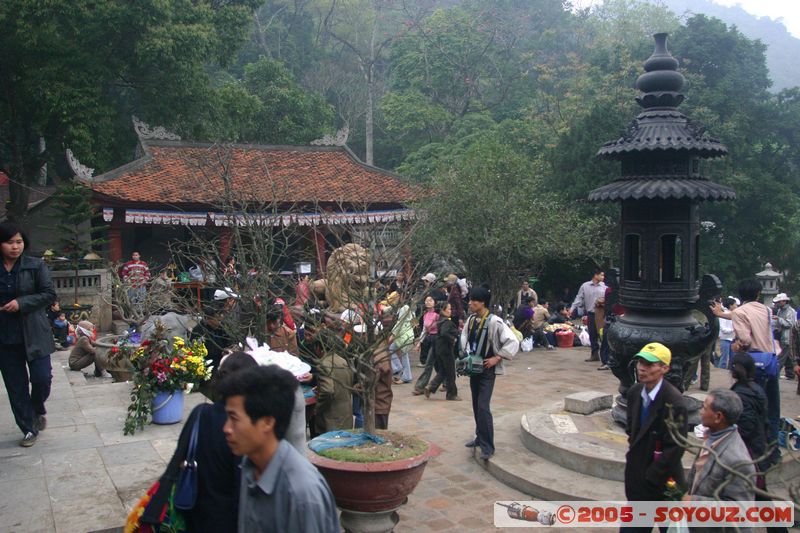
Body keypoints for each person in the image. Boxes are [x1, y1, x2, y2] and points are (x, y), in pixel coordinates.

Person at [141, 351, 258, 533]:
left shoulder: (200, 413)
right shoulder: (244, 427)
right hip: (227, 521)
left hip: (191, 513)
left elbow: (176, 462)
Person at [218, 364, 340, 533]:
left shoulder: (302, 494)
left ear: (267, 422)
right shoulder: (249, 466)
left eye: (234, 418)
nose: (226, 428)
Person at [0, 222, 57, 447]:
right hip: (5, 336)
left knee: (42, 378)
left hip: (34, 332)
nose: (15, 247)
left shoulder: (35, 265)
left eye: (19, 242)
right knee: (16, 386)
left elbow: (48, 294)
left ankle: (37, 406)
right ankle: (28, 427)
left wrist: (21, 303)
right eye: (9, 242)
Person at [622, 343, 687, 533]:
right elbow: (631, 430)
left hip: (664, 483)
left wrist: (652, 475)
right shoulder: (634, 393)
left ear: (664, 368)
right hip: (637, 481)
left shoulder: (674, 401)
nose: (642, 368)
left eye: (649, 364)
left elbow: (675, 447)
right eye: (640, 362)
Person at [716, 279, 781, 466]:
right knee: (773, 409)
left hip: (753, 366)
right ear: (758, 294)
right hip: (770, 362)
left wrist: (737, 345)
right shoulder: (766, 310)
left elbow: (744, 340)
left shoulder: (740, 312)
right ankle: (774, 451)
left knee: (753, 410)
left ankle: (757, 453)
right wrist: (722, 313)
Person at [462, 286, 519, 460]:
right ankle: (479, 438)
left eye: (474, 300)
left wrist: (497, 357)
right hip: (474, 368)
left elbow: (513, 341)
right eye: (470, 300)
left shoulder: (495, 321)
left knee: (483, 406)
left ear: (482, 302)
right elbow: (464, 337)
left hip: (487, 369)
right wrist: (464, 353)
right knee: (476, 404)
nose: (470, 303)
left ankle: (488, 446)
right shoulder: (471, 320)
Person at [683, 390, 755, 505]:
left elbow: (740, 508)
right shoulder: (711, 436)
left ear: (718, 417)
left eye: (704, 408)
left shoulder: (738, 461)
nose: (700, 412)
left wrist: (695, 502)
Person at [730, 353, 770, 487]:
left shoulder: (741, 394)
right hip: (760, 445)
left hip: (748, 450)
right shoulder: (756, 389)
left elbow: (746, 426)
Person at [311, 331, 354, 434]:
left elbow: (328, 391)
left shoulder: (323, 364)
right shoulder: (343, 361)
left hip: (331, 419)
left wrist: (317, 409)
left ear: (318, 347)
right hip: (346, 416)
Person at [425, 301, 461, 401]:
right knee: (450, 372)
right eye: (449, 309)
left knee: (443, 371)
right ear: (443, 310)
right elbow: (444, 333)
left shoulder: (440, 321)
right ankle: (451, 394)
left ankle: (431, 387)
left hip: (439, 349)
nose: (450, 311)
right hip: (446, 350)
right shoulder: (446, 322)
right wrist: (453, 339)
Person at [570, 268, 606, 362]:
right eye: (601, 275)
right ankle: (594, 354)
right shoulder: (585, 286)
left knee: (602, 334)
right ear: (595, 275)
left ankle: (605, 357)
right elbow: (579, 298)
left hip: (602, 314)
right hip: (591, 313)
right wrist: (572, 309)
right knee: (592, 334)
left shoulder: (604, 287)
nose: (603, 277)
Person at [412, 296, 439, 394]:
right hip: (429, 339)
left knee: (431, 364)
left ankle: (421, 386)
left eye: (430, 300)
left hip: (437, 340)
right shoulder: (425, 315)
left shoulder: (437, 315)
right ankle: (447, 383)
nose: (428, 302)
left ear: (435, 302)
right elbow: (424, 330)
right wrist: (419, 343)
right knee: (435, 364)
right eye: (426, 301)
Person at [387, 292, 414, 385]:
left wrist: (393, 335)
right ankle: (399, 370)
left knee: (402, 354)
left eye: (398, 296)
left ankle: (404, 374)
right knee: (395, 350)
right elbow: (414, 321)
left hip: (404, 335)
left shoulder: (404, 308)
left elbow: (399, 323)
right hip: (406, 334)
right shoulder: (406, 307)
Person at [772, 293, 796, 380]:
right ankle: (790, 374)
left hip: (788, 337)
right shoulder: (780, 311)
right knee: (788, 357)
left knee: (781, 357)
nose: (778, 303)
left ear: (784, 301)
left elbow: (790, 324)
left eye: (779, 302)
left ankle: (775, 373)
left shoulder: (790, 311)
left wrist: (779, 319)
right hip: (781, 336)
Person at [716, 297, 738, 370]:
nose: (736, 306)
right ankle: (720, 372)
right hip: (725, 339)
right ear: (730, 305)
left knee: (732, 358)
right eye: (735, 304)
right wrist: (733, 330)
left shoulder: (733, 314)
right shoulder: (723, 314)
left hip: (732, 339)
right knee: (724, 359)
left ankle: (730, 372)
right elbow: (723, 329)